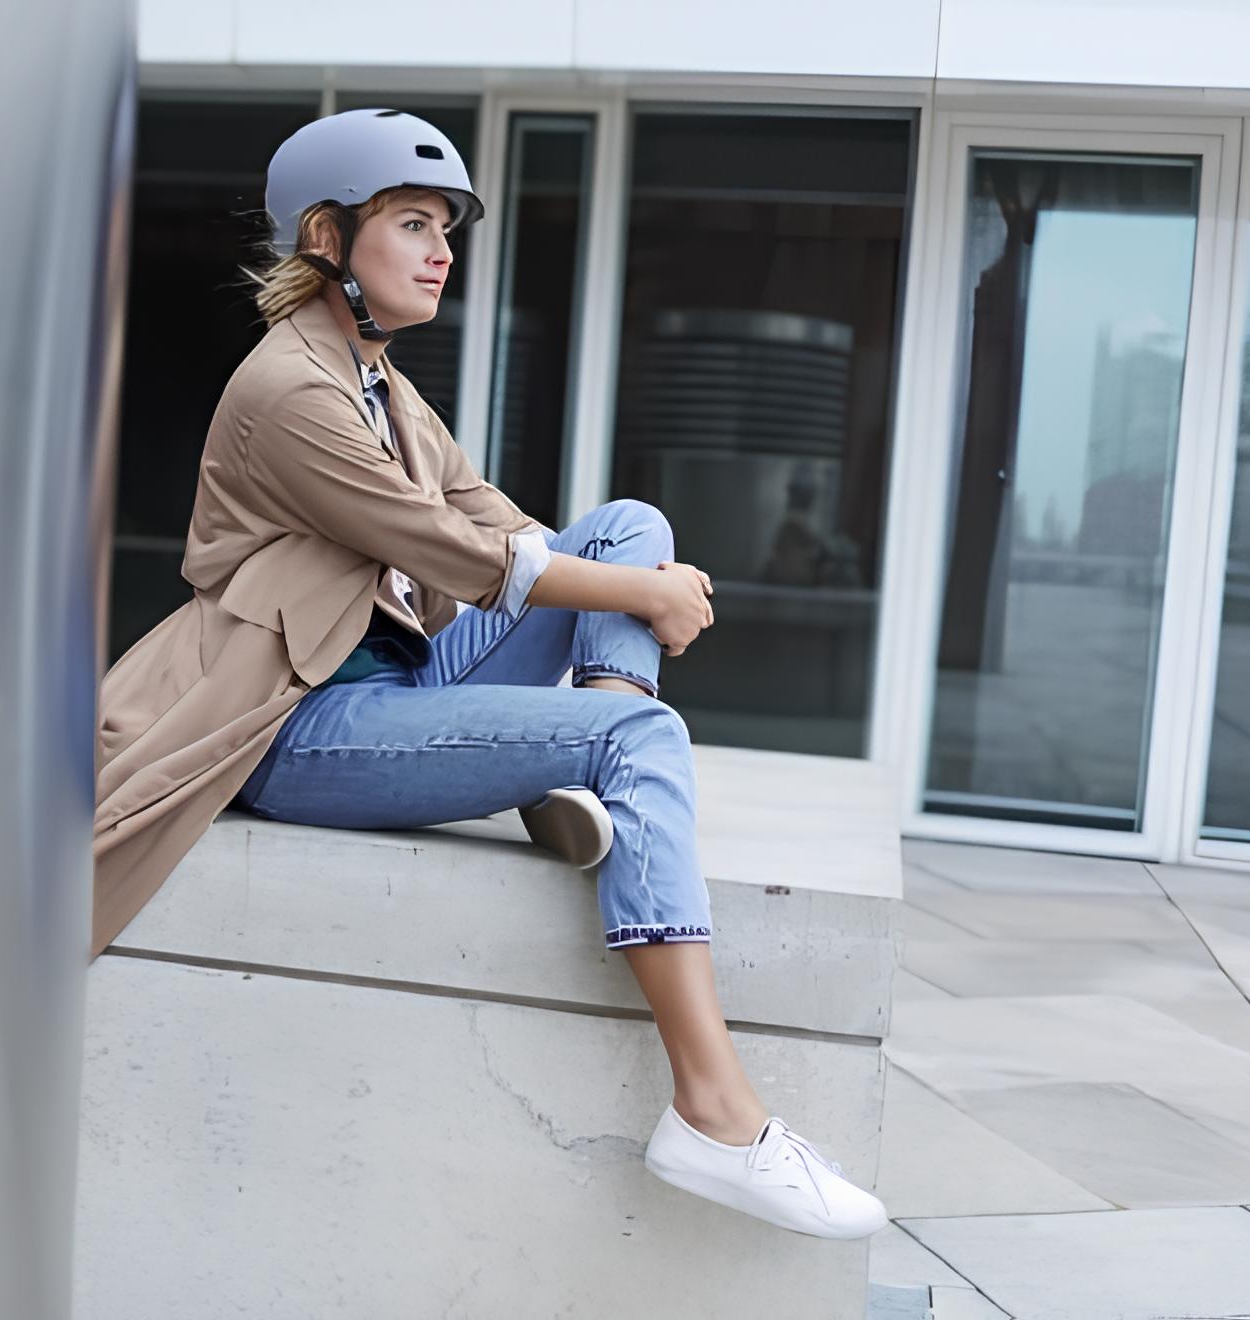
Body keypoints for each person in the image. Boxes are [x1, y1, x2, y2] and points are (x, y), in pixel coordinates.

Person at [92, 107, 887, 1241]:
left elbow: (500, 523)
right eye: (410, 222)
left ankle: (596, 756)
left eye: (446, 227)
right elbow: (457, 556)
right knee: (640, 715)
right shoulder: (293, 390)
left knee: (625, 526)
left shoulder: (377, 383)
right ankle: (711, 1113)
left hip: (391, 680)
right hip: (292, 724)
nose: (440, 249)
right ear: (327, 235)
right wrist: (646, 601)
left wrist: (630, 575)